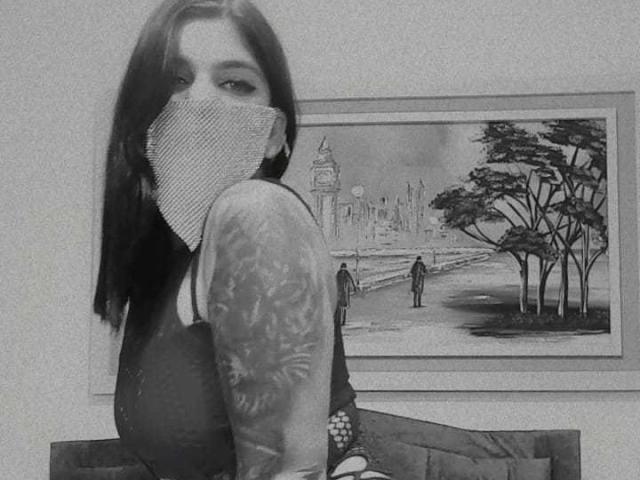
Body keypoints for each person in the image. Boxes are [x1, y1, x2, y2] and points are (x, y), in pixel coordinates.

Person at [93, 1, 391, 479]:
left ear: (273, 133)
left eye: (235, 83)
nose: (200, 102)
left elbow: (291, 473)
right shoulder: (162, 268)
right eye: (176, 79)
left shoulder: (255, 214)